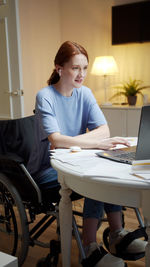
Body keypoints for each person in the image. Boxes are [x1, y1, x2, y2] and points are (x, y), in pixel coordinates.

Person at [27, 41, 146, 267]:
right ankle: (90, 246)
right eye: (75, 68)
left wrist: (79, 143)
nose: (81, 74)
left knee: (108, 170)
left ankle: (117, 234)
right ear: (59, 68)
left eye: (84, 67)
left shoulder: (85, 93)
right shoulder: (45, 96)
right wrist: (93, 143)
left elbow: (105, 131)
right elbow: (56, 140)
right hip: (46, 168)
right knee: (94, 177)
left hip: (76, 159)